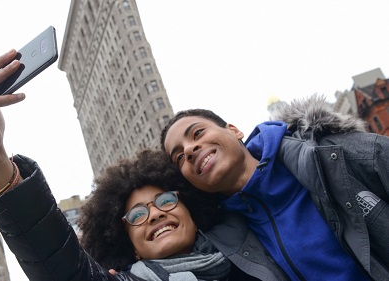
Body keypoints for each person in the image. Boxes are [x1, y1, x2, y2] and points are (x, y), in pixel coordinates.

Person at [0, 49, 288, 281]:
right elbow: (55, 260)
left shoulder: (258, 253)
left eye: (165, 201)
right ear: (131, 248)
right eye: (137, 215)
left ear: (193, 211)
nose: (156, 213)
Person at [160, 95, 389, 281]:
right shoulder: (221, 245)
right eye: (179, 156)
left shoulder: (336, 153)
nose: (189, 150)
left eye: (197, 133)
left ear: (234, 130)